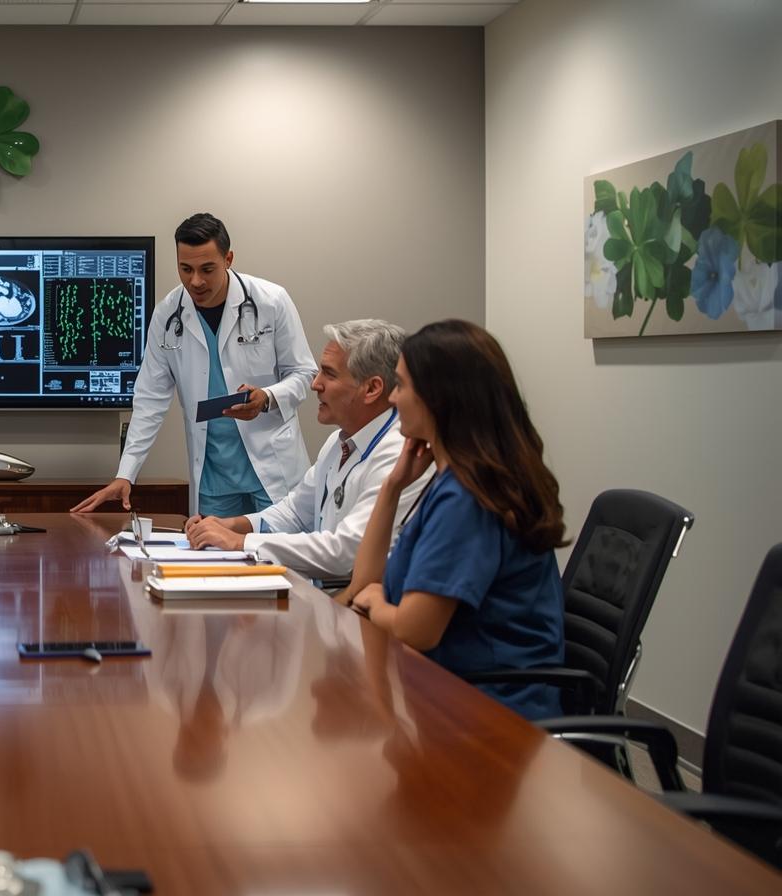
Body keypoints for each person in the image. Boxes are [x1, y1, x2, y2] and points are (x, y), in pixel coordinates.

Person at [347, 320, 566, 721]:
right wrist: (392, 487)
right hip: (443, 691)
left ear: (440, 399)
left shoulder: (469, 497)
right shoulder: (452, 482)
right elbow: (362, 583)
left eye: (402, 385)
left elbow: (416, 630)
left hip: (490, 716)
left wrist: (376, 603)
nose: (393, 398)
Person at [72, 213, 317, 517]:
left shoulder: (271, 301)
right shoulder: (167, 315)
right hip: (215, 478)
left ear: (228, 258)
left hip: (273, 467)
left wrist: (268, 398)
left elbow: (304, 373)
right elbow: (150, 398)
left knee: (278, 559)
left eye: (207, 269)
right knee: (216, 560)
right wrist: (126, 473)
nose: (195, 281)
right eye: (185, 269)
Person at [184, 319, 429, 585]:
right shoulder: (339, 441)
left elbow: (345, 552)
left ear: (371, 389)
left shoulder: (398, 454)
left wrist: (241, 542)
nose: (315, 384)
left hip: (354, 601)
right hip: (327, 594)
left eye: (329, 374)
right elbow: (295, 513)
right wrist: (231, 525)